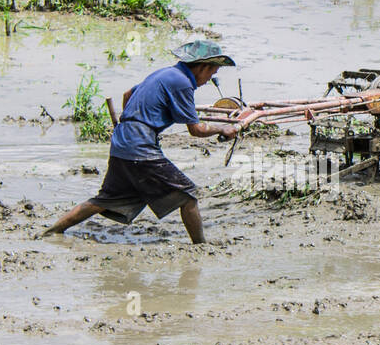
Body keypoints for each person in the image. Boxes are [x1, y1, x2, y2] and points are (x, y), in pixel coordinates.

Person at [40, 40, 240, 244]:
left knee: (104, 200)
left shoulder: (164, 73)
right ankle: (201, 247)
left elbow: (128, 94)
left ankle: (53, 231)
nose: (209, 80)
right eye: (211, 73)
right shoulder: (183, 83)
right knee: (188, 196)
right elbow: (196, 130)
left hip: (122, 142)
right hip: (140, 148)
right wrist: (223, 128)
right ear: (202, 66)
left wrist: (133, 124)